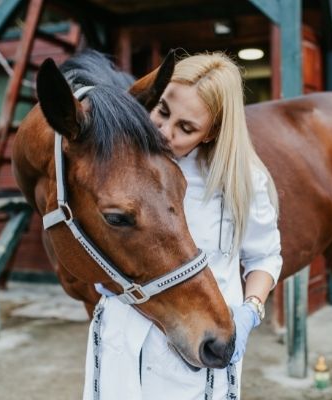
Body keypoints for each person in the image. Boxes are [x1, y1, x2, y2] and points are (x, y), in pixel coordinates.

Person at [83, 52, 282, 399]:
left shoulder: (241, 180)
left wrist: (250, 311)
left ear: (211, 133)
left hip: (196, 346)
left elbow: (265, 257)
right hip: (122, 341)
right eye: (162, 111)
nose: (163, 132)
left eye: (186, 128)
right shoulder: (123, 159)